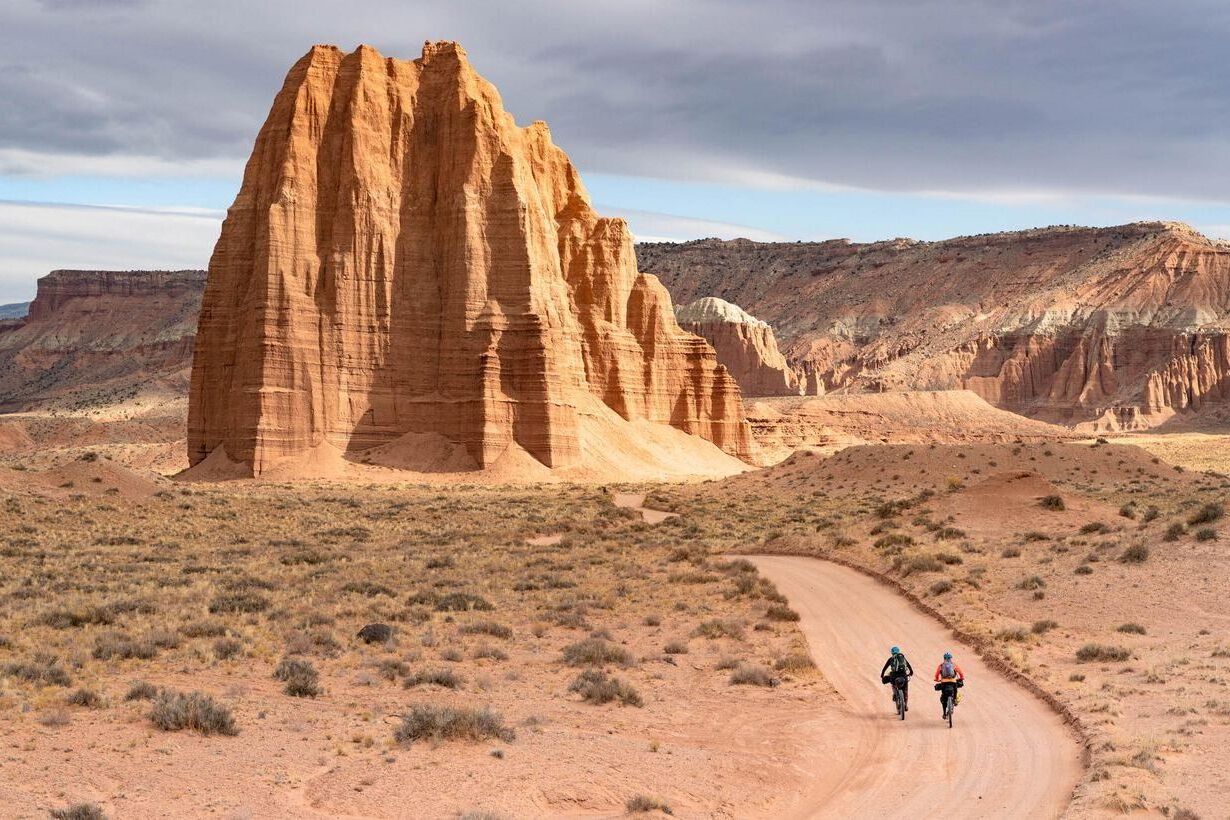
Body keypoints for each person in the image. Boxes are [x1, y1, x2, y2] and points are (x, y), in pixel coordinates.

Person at [880, 646, 914, 710]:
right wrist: (911, 673)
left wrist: (882, 675)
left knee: (893, 683)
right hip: (904, 675)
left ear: (892, 653)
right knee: (905, 691)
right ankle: (905, 706)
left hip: (894, 675)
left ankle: (895, 693)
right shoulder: (903, 658)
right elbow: (909, 666)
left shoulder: (891, 659)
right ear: (898, 652)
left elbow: (885, 668)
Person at [933, 651, 965, 717]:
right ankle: (955, 700)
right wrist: (961, 678)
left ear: (944, 658)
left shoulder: (941, 665)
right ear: (951, 658)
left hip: (944, 683)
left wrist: (936, 679)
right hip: (953, 682)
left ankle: (944, 713)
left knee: (944, 697)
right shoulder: (954, 665)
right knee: (955, 691)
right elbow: (961, 673)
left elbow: (937, 674)